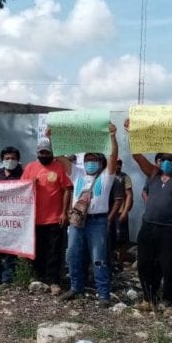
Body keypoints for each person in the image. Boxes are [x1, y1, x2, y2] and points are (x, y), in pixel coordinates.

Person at [126, 116, 172, 317]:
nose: (166, 162)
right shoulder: (153, 175)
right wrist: (130, 132)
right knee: (144, 264)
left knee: (169, 267)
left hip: (170, 230)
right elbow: (137, 156)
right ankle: (149, 299)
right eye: (163, 159)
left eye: (171, 160)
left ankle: (169, 303)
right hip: (148, 227)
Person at [55, 123, 119, 308]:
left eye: (94, 159)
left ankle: (103, 294)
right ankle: (76, 288)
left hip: (97, 222)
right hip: (77, 221)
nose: (90, 162)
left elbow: (114, 157)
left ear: (100, 163)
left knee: (99, 257)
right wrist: (53, 138)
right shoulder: (77, 174)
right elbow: (59, 157)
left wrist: (113, 138)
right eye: (87, 159)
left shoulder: (106, 177)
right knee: (74, 254)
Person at [21, 139, 72, 296]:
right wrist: (31, 183)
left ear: (51, 153)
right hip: (34, 219)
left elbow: (67, 190)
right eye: (41, 152)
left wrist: (64, 212)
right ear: (37, 153)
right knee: (37, 250)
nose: (44, 155)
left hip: (54, 218)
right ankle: (39, 278)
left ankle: (54, 281)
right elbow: (20, 188)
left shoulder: (58, 167)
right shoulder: (30, 167)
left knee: (54, 251)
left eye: (47, 152)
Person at [0, 146, 23, 284]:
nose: (10, 160)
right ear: (2, 160)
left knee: (11, 247)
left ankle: (8, 276)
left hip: (14, 215)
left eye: (13, 158)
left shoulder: (23, 174)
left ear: (18, 160)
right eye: (7, 158)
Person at [107, 160, 129, 272]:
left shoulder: (124, 177)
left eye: (120, 164)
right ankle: (110, 262)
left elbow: (129, 195)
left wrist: (125, 211)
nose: (118, 166)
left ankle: (120, 263)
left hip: (120, 212)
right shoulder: (107, 176)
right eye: (116, 163)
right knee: (109, 237)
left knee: (122, 238)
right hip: (108, 212)